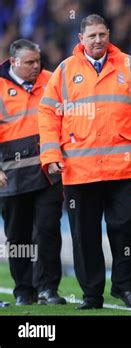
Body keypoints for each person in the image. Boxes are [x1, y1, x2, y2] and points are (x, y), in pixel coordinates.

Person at [38, 14, 131, 309]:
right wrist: (51, 154)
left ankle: (123, 286)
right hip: (80, 171)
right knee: (85, 236)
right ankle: (92, 294)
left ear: (109, 35)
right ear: (80, 39)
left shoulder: (130, 65)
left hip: (126, 168)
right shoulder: (65, 70)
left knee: (129, 228)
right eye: (91, 36)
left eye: (102, 35)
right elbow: (47, 114)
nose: (97, 40)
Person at [0, 39, 65, 306]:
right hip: (10, 177)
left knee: (48, 230)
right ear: (13, 62)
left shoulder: (51, 81)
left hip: (47, 173)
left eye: (38, 61)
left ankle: (48, 288)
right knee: (18, 236)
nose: (36, 66)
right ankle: (24, 290)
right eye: (29, 62)